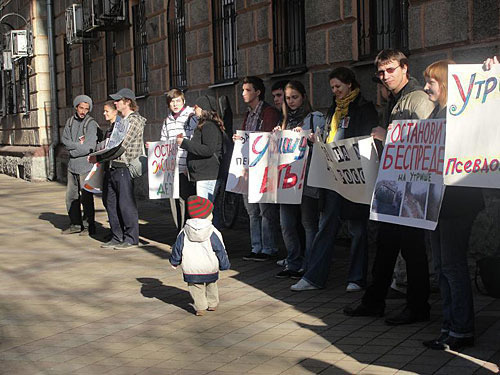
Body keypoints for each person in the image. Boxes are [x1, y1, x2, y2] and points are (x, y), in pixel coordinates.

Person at [344, 49, 435, 325]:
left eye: (391, 70)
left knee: (412, 249)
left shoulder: (417, 98)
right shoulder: (395, 100)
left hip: (411, 186)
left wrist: (388, 135)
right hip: (393, 183)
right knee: (386, 245)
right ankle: (375, 301)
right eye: (381, 72)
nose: (385, 77)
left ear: (405, 68)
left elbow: (426, 139)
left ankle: (417, 307)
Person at [290, 67, 378, 292]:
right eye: (332, 87)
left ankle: (356, 278)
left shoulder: (364, 108)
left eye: (338, 86)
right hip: (333, 175)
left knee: (357, 228)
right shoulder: (333, 109)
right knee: (326, 225)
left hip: (356, 177)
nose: (335, 91)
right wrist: (316, 140)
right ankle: (314, 277)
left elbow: (366, 139)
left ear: (350, 84)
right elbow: (330, 135)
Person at [422, 60, 484, 351]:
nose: (426, 87)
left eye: (431, 82)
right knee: (443, 267)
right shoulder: (438, 113)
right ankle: (450, 326)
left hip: (457, 202)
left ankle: (461, 329)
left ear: (445, 83)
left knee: (452, 267)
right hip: (439, 202)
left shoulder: (461, 114)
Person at [274, 81, 324, 279]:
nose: (291, 101)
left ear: (303, 96)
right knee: (286, 224)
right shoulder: (284, 121)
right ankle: (293, 262)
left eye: (295, 97)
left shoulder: (315, 118)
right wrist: (276, 137)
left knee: (308, 223)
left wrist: (307, 138)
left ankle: (310, 264)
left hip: (308, 180)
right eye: (288, 98)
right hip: (286, 181)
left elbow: (322, 145)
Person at [88, 88, 147, 250]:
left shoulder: (135, 121)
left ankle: (131, 237)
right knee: (110, 202)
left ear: (127, 102)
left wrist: (99, 157)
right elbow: (110, 143)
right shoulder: (120, 121)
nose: (115, 103)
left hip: (124, 167)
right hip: (112, 166)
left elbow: (120, 146)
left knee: (126, 204)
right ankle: (117, 235)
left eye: (118, 100)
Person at [238, 76, 281, 262]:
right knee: (252, 210)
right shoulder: (249, 114)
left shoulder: (268, 112)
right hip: (248, 168)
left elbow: (267, 138)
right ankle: (256, 246)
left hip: (263, 168)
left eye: (247, 90)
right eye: (243, 90)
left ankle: (269, 247)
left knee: (265, 210)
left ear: (257, 92)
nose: (243, 94)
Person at [169, 195, 230, 316]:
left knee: (196, 287)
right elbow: (219, 249)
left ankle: (200, 307)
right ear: (207, 215)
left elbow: (178, 248)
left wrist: (174, 261)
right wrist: (224, 264)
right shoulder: (212, 231)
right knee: (211, 284)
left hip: (191, 267)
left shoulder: (184, 231)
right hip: (209, 266)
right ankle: (212, 303)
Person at [61, 95, 99, 236]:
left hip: (86, 165)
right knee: (71, 197)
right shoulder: (70, 122)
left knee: (86, 197)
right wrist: (77, 146)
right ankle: (75, 224)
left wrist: (73, 151)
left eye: (86, 109)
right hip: (72, 166)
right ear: (76, 107)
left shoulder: (91, 124)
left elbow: (89, 147)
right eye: (81, 108)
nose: (83, 111)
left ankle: (89, 226)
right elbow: (65, 141)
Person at [176, 95, 223, 202]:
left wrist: (185, 143)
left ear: (203, 108)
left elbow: (208, 149)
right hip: (203, 175)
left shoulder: (209, 126)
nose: (194, 109)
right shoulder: (204, 125)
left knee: (206, 212)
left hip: (207, 176)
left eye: (196, 107)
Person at [161, 89, 196, 230]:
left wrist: (190, 164)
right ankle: (179, 232)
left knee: (186, 201)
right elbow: (164, 140)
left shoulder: (191, 116)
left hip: (186, 166)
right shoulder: (167, 120)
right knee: (174, 201)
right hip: (171, 167)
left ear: (183, 101)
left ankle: (186, 232)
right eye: (171, 102)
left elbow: (194, 139)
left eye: (177, 101)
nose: (175, 104)